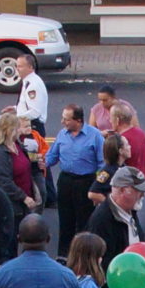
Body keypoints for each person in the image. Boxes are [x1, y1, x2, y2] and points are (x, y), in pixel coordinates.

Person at [47, 104, 103, 243]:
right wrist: (41, 163)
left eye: (66, 119)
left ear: (78, 120)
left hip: (85, 182)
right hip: (66, 180)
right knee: (65, 219)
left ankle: (83, 250)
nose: (62, 122)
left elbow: (102, 163)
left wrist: (99, 186)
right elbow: (52, 156)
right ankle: (64, 251)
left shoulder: (95, 135)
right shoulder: (62, 134)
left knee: (85, 220)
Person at [12, 51, 49, 134]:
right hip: (28, 126)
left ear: (30, 67)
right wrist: (16, 108)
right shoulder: (28, 81)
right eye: (17, 66)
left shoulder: (33, 85)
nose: (17, 69)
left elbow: (35, 112)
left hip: (32, 127)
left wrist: (15, 118)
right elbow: (28, 104)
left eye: (20, 66)